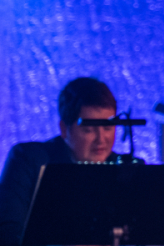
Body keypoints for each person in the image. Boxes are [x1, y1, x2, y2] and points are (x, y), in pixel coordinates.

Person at [0, 77, 118, 246]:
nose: (101, 139)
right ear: (64, 129)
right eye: (89, 130)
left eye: (108, 128)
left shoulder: (124, 167)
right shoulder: (29, 160)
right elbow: (8, 232)